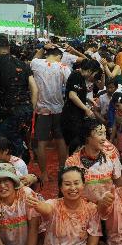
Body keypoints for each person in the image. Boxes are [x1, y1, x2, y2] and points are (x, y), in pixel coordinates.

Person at [0, 35, 38, 160]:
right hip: (25, 110)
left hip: (6, 111)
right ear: (9, 48)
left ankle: (12, 174)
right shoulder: (22, 63)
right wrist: (31, 107)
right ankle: (21, 170)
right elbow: (35, 88)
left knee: (4, 149)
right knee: (18, 143)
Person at [30, 44, 72, 185]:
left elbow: (34, 58)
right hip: (58, 109)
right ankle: (62, 170)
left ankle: (44, 174)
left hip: (42, 110)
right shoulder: (63, 68)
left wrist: (42, 47)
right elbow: (70, 86)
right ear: (59, 56)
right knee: (61, 140)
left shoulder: (36, 63)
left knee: (41, 143)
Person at [64, 118, 122, 205]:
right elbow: (68, 191)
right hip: (84, 210)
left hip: (108, 207)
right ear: (87, 137)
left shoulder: (112, 156)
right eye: (100, 134)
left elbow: (119, 184)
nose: (104, 139)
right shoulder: (72, 162)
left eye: (105, 133)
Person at [62, 59, 101, 151]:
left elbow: (78, 93)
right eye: (94, 74)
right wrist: (86, 109)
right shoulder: (76, 75)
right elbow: (72, 95)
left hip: (76, 114)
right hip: (71, 115)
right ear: (90, 71)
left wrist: (87, 99)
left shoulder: (81, 77)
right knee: (75, 144)